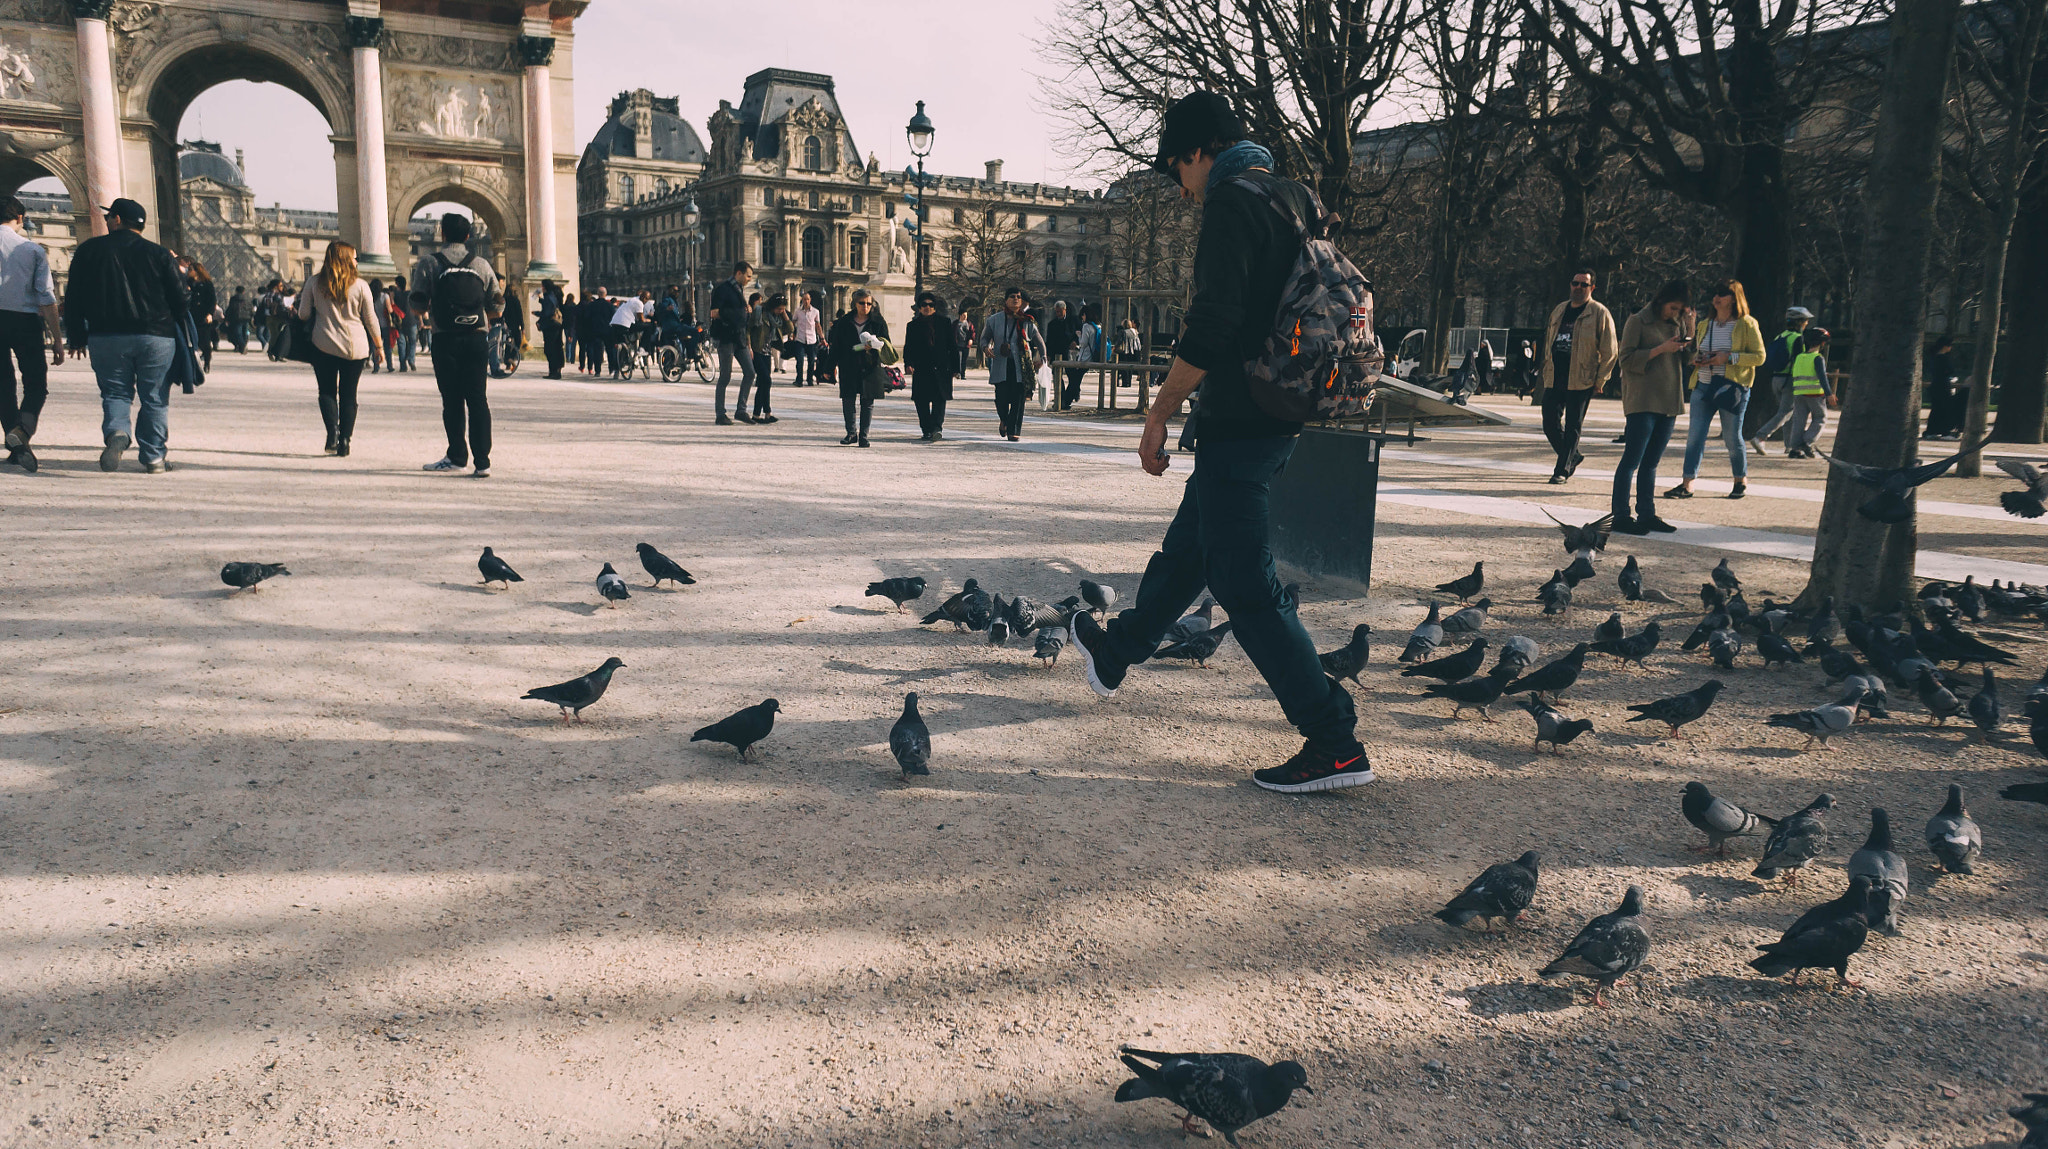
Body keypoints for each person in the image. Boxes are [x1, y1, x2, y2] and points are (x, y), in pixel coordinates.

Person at [1064, 89, 1369, 794]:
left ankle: (1335, 739)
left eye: (1178, 170)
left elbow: (1214, 322)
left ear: (1199, 151)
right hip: (1279, 405)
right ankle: (1118, 650)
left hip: (1244, 416)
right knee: (1195, 544)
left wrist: (1158, 409)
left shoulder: (1233, 201)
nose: (1182, 189)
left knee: (1243, 583)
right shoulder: (1291, 195)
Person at [62, 197, 189, 473]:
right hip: (155, 336)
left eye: (109, 217)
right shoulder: (159, 254)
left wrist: (75, 335)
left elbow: (73, 298)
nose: (107, 221)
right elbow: (180, 300)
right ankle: (154, 458)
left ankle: (118, 432)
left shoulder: (88, 250)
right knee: (154, 397)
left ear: (117, 220)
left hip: (106, 335)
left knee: (115, 393)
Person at [408, 212, 502, 478]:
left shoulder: (429, 262)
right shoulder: (482, 264)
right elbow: (497, 304)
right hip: (476, 338)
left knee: (452, 399)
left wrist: (433, 311)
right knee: (478, 399)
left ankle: (457, 456)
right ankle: (482, 461)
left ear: (443, 234)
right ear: (469, 236)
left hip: (445, 337)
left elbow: (416, 303)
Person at [1666, 278, 1767, 500]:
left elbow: (1760, 357)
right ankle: (1687, 484)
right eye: (1715, 293)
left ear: (1734, 298)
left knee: (1732, 438)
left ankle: (1740, 479)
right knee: (1695, 437)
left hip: (1730, 389)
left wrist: (1729, 358)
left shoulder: (1746, 324)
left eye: (1722, 293)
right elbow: (1696, 352)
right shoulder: (1705, 325)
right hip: (1703, 387)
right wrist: (1698, 360)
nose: (1716, 298)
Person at [1610, 281, 1692, 536]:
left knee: (1652, 462)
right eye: (1672, 307)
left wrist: (1688, 329)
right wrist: (1660, 349)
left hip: (1668, 401)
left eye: (1680, 309)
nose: (1674, 312)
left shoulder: (1677, 323)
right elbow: (1625, 359)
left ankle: (1647, 513)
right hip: (1643, 400)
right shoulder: (1638, 321)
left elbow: (1688, 360)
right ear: (1661, 301)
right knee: (1632, 460)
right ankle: (1621, 515)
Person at [294, 240, 384, 456]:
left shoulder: (314, 283)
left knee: (326, 391)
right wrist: (379, 345)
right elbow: (370, 319)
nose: (356, 261)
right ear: (346, 259)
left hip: (323, 343)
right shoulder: (361, 285)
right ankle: (345, 440)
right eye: (354, 257)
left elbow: (303, 314)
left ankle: (332, 433)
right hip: (355, 347)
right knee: (349, 395)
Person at [1537, 269, 1619, 483]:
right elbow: (1548, 342)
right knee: (1549, 423)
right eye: (1575, 283)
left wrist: (1601, 379)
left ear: (1592, 288)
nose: (1579, 288)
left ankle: (1561, 470)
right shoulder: (1559, 310)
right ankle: (1573, 456)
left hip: (1581, 377)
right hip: (1555, 375)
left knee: (1573, 425)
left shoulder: (1599, 312)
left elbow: (1610, 350)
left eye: (1584, 284)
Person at [0, 195, 61, 473]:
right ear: (20, 218)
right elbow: (47, 298)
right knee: (36, 384)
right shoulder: (32, 250)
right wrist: (58, 339)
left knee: (3, 386)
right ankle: (22, 432)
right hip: (24, 321)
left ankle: (16, 447)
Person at [981, 287, 1045, 441]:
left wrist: (1043, 357)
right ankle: (1004, 419)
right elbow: (984, 338)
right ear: (1005, 300)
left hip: (1020, 365)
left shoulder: (1027, 321)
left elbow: (1039, 340)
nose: (1016, 299)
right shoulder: (994, 320)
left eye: (1018, 297)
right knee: (1001, 397)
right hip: (1001, 364)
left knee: (1019, 399)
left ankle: (1013, 430)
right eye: (1012, 296)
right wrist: (985, 348)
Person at [1747, 305, 1812, 454]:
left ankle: (1790, 445)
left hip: (1776, 379)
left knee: (1789, 413)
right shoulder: (1798, 339)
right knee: (1786, 412)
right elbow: (1799, 361)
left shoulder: (1781, 336)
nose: (1807, 323)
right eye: (1805, 321)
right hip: (1789, 379)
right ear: (1799, 322)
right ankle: (1760, 437)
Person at [828, 287, 888, 447]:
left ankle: (864, 435)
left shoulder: (878, 322)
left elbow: (886, 343)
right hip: (848, 364)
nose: (866, 306)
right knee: (848, 400)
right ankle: (851, 432)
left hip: (870, 366)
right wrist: (828, 368)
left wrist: (875, 347)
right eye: (862, 303)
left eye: (869, 303)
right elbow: (836, 347)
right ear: (855, 303)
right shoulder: (844, 322)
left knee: (867, 401)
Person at [710, 261, 756, 423]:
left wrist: (746, 311)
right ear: (739, 273)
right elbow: (714, 313)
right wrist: (739, 313)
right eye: (748, 276)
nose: (750, 279)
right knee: (725, 376)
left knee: (750, 372)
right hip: (727, 337)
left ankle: (741, 410)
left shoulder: (738, 289)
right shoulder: (723, 289)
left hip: (740, 338)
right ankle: (720, 414)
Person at [904, 290, 954, 440]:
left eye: (931, 305)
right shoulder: (912, 325)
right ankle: (926, 428)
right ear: (919, 307)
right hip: (922, 367)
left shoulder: (944, 323)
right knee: (921, 400)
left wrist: (955, 368)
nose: (927, 307)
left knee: (940, 399)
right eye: (924, 305)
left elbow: (952, 346)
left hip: (941, 367)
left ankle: (937, 428)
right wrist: (908, 363)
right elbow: (908, 347)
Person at [1782, 328, 1835, 458]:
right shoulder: (1817, 358)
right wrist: (1829, 394)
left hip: (1799, 393)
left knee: (1798, 420)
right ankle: (1806, 441)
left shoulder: (1799, 357)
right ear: (1822, 343)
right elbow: (1822, 377)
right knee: (1820, 418)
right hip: (1815, 394)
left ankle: (1794, 449)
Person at [751, 294, 789, 423]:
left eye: (783, 309)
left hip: (767, 353)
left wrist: (784, 315)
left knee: (764, 383)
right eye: (780, 309)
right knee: (766, 381)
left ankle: (765, 414)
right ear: (773, 306)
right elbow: (748, 329)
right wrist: (748, 347)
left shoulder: (776, 317)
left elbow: (790, 328)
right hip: (756, 350)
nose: (781, 311)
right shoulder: (759, 312)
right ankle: (758, 414)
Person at [1923, 335, 1960, 439]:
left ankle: (1931, 431)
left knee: (1935, 409)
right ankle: (1945, 432)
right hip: (1943, 386)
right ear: (1945, 346)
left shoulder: (1934, 358)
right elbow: (1949, 371)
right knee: (1945, 409)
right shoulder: (1943, 358)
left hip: (1935, 385)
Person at [1044, 301, 1078, 410]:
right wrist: (1048, 354)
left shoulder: (1072, 321)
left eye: (1060, 311)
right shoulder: (1052, 324)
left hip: (1068, 352)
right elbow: (1049, 340)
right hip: (1056, 352)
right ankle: (1061, 399)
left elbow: (1078, 333)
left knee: (1073, 377)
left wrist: (1075, 341)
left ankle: (1069, 397)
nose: (1058, 313)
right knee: (1057, 377)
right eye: (1056, 312)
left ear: (1065, 310)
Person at [608, 288, 650, 378]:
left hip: (614, 324)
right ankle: (641, 348)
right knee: (649, 328)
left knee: (621, 344)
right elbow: (641, 319)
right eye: (646, 298)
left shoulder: (632, 300)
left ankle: (617, 369)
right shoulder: (639, 303)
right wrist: (648, 320)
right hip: (625, 324)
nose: (645, 300)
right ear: (643, 297)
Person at [790, 290, 822, 385]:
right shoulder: (797, 311)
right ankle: (799, 380)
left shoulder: (816, 312)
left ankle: (809, 379)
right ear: (802, 300)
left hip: (812, 339)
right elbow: (793, 323)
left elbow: (817, 325)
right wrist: (790, 334)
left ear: (810, 300)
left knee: (811, 362)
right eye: (804, 299)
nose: (806, 301)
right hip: (800, 339)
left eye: (807, 299)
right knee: (800, 361)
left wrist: (822, 337)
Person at [222, 285, 250, 353]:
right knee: (244, 332)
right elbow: (250, 308)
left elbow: (230, 309)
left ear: (236, 291)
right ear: (243, 291)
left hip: (236, 318)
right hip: (246, 318)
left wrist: (227, 318)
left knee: (238, 333)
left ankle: (242, 345)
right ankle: (243, 345)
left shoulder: (233, 299)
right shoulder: (247, 299)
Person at [953, 305, 974, 377]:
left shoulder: (969, 324)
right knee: (958, 359)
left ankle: (963, 374)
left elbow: (972, 332)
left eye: (966, 315)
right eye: (964, 315)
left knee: (964, 360)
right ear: (960, 315)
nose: (965, 317)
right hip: (957, 344)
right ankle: (957, 372)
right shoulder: (955, 324)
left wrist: (971, 339)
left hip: (966, 344)